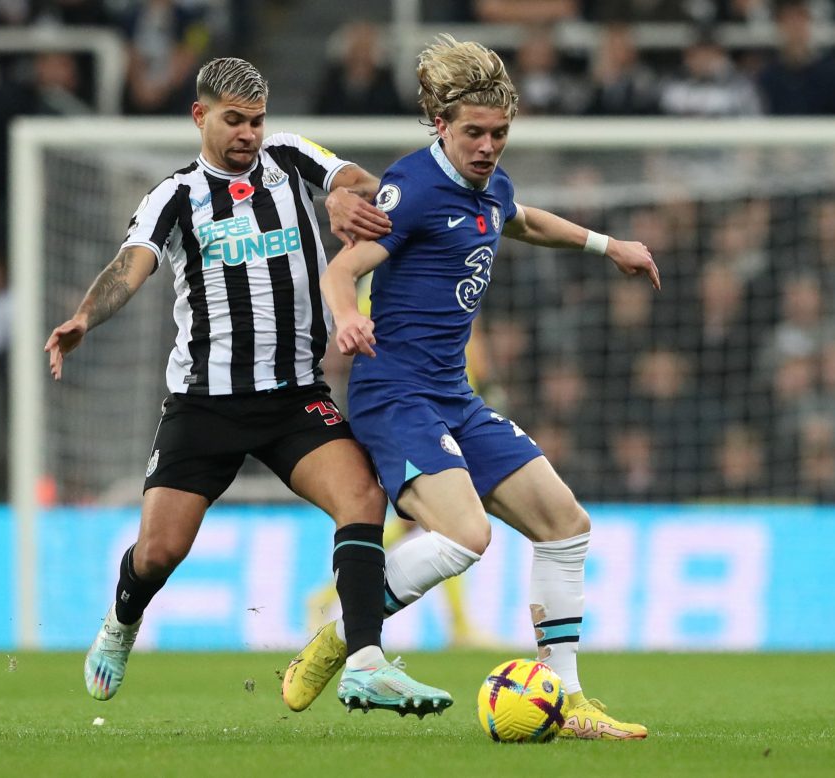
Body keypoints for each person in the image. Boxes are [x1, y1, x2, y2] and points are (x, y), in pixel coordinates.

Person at [44, 57, 451, 716]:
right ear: (200, 117)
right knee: (158, 551)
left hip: (294, 396)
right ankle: (121, 623)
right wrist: (86, 316)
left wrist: (350, 194)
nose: (249, 134)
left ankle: (366, 662)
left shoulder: (290, 158)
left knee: (362, 497)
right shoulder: (173, 196)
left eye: (256, 121)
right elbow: (132, 264)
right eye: (234, 121)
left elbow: (352, 179)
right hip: (206, 404)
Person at [300, 35, 659, 739]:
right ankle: (341, 639)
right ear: (441, 125)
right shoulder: (412, 188)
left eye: (499, 133)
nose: (488, 145)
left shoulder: (490, 186)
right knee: (466, 536)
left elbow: (521, 220)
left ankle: (569, 697)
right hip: (395, 394)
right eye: (474, 133)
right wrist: (347, 321)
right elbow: (341, 271)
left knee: (565, 527)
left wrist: (606, 245)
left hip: (452, 395)